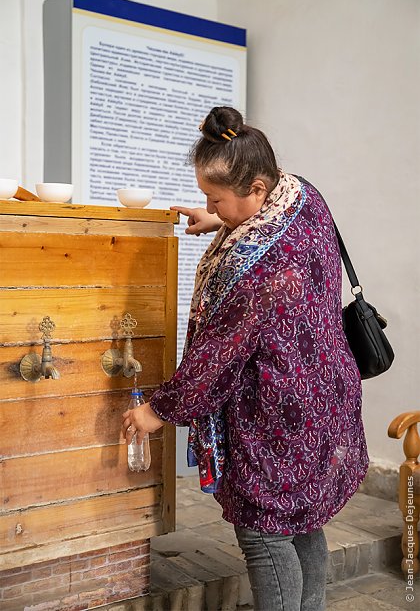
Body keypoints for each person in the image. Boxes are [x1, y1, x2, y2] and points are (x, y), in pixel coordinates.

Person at [122, 106, 369, 611]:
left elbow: (217, 358)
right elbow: (265, 211)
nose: (208, 205)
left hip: (277, 414)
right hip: (325, 395)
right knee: (302, 520)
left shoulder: (255, 266)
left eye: (214, 198)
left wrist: (155, 411)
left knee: (263, 532)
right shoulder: (300, 193)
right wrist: (220, 216)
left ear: (255, 189)